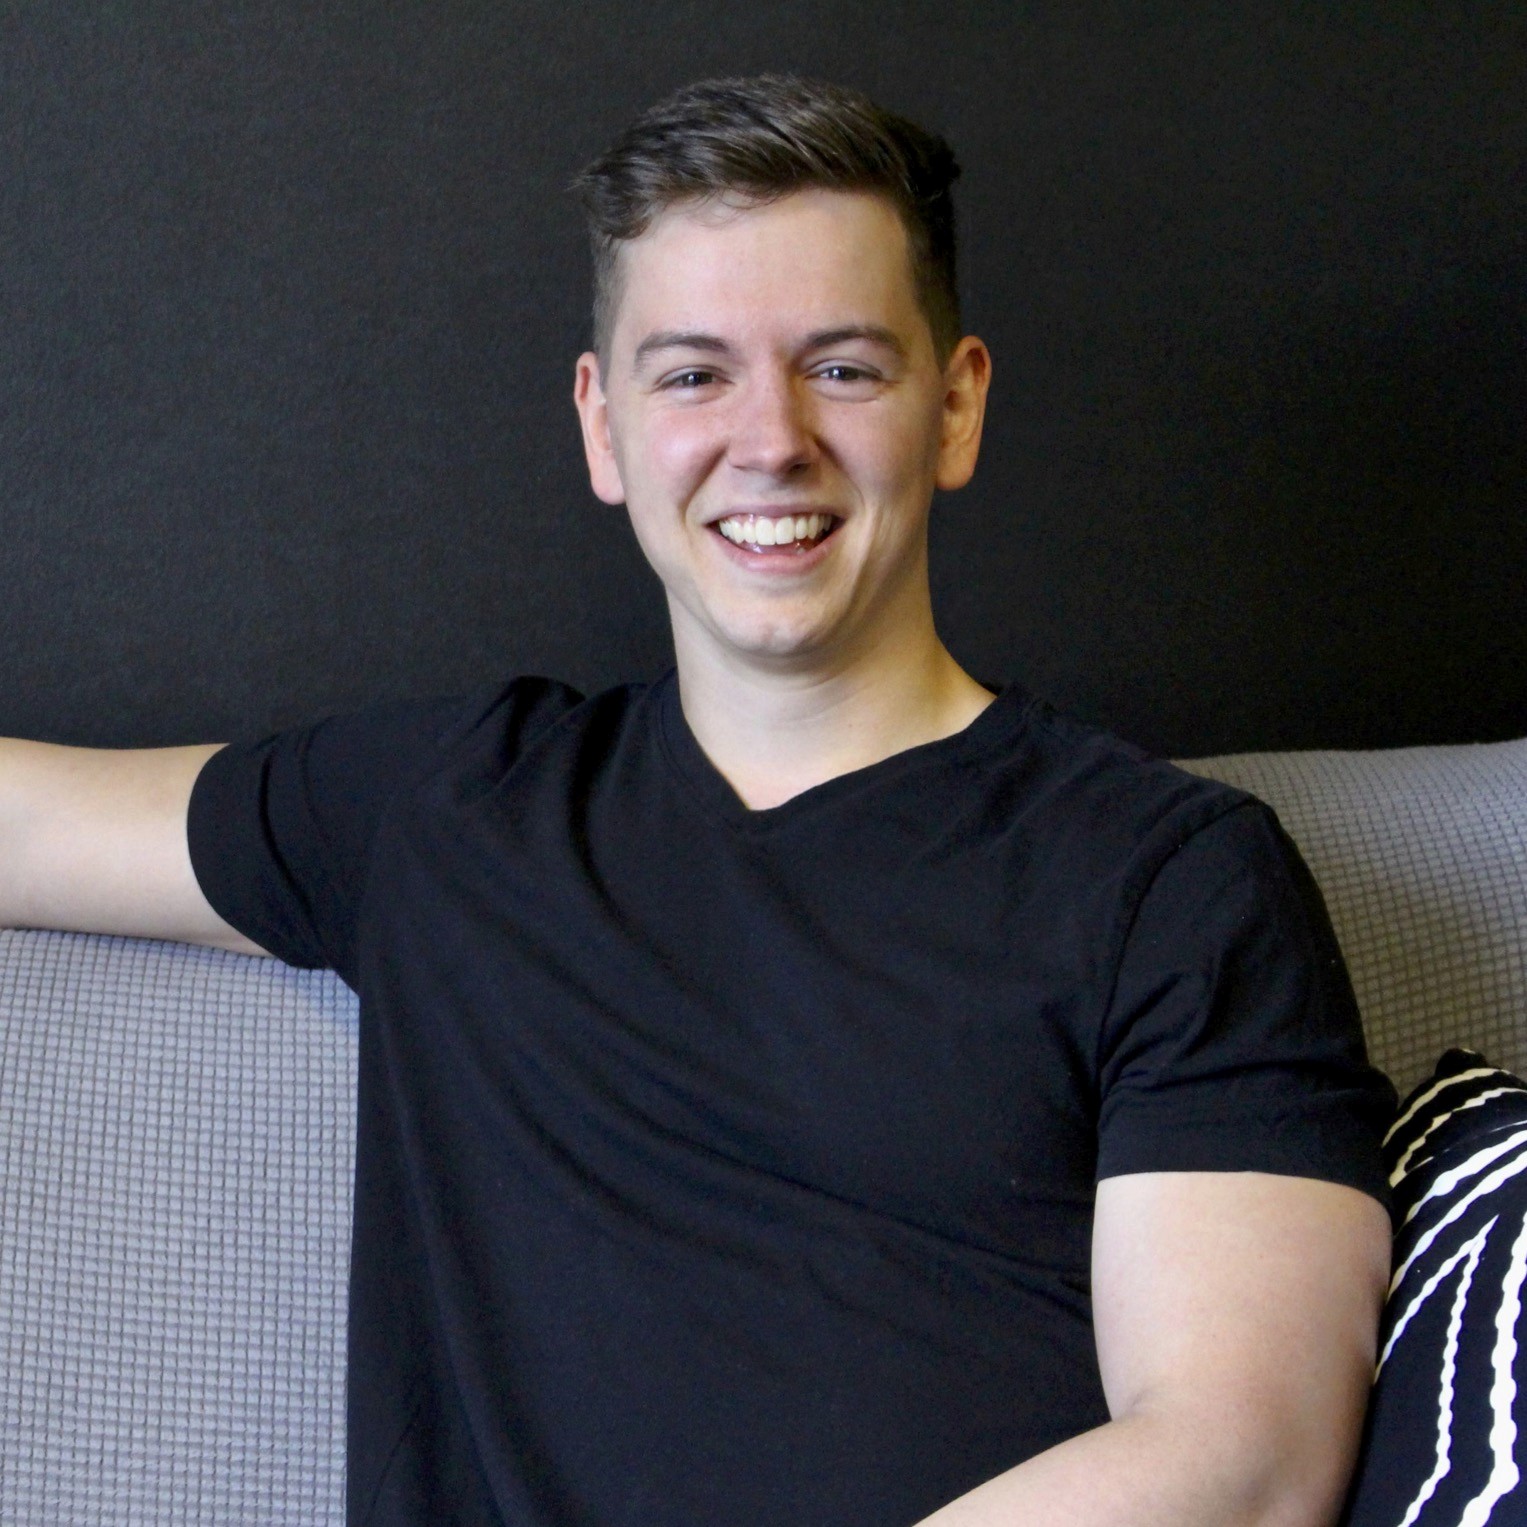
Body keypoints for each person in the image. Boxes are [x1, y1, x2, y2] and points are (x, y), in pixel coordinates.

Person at [0, 75, 1396, 1527]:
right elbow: (25, 827)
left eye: (843, 368)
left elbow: (1246, 1465)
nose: (771, 437)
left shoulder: (1170, 880)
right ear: (605, 427)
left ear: (958, 405)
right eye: (692, 374)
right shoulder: (444, 810)